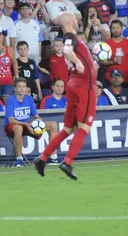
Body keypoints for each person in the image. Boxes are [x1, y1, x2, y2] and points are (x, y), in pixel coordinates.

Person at [33, 12, 98, 180]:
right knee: (84, 128)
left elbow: (71, 53)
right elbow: (68, 51)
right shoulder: (70, 36)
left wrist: (81, 63)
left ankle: (43, 158)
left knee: (68, 129)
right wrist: (78, 63)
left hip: (74, 84)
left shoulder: (70, 37)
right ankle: (67, 162)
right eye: (76, 20)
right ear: (70, 22)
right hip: (84, 87)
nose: (78, 22)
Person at [4, 77, 58, 167]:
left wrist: (39, 121)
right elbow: (11, 120)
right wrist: (26, 124)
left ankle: (53, 157)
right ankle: (19, 159)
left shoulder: (29, 99)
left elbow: (35, 115)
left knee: (53, 125)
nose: (22, 88)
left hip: (26, 125)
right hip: (11, 126)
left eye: (24, 86)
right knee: (18, 128)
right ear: (15, 89)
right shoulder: (11, 100)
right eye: (19, 86)